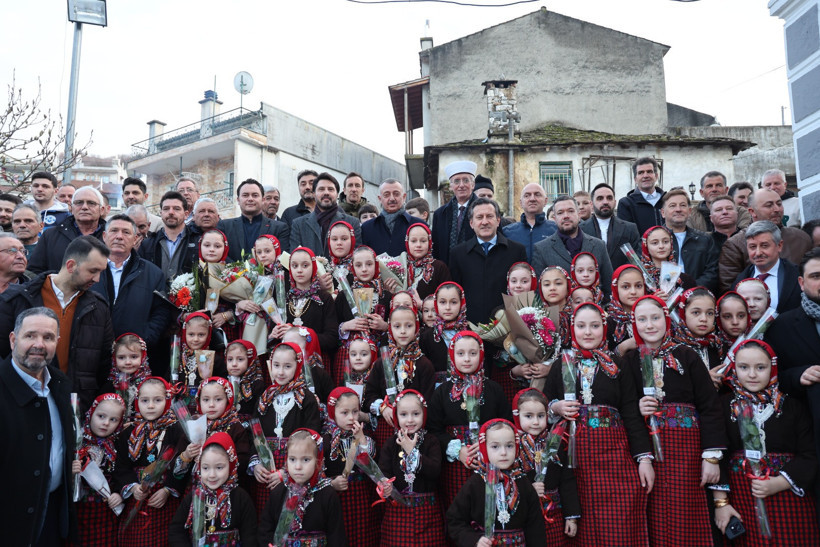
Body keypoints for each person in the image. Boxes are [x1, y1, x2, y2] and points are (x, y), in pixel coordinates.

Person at [546, 303, 653, 545]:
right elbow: (544, 403)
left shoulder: (617, 364)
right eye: (581, 326)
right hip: (574, 456)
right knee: (581, 521)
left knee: (619, 516)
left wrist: (644, 458)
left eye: (595, 326)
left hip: (614, 455)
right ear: (572, 329)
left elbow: (630, 412)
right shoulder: (562, 362)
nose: (587, 332)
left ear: (604, 328)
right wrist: (557, 407)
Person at [623, 295, 727, 546]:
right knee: (655, 516)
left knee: (687, 512)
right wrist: (643, 455)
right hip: (651, 451)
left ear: (667, 319)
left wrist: (711, 457)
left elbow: (710, 406)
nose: (649, 325)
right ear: (633, 324)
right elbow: (626, 410)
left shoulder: (687, 356)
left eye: (655, 318)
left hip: (687, 451)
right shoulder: (629, 360)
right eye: (642, 319)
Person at [716, 340, 820, 542]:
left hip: (787, 497)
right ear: (734, 368)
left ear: (772, 368)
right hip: (742, 496)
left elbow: (809, 453)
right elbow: (718, 452)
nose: (752, 374)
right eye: (744, 367)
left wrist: (781, 482)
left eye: (760, 367)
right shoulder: (723, 406)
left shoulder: (792, 407)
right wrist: (721, 503)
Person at [0, 236, 114, 410]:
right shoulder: (17, 299)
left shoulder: (99, 308)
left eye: (101, 272)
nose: (97, 279)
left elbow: (105, 363)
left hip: (75, 407)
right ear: (70, 266)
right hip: (20, 405)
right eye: (92, 271)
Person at [0, 307, 76, 546]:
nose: (39, 344)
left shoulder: (61, 385)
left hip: (51, 518)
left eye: (48, 337)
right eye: (30, 335)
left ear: (58, 342)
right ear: (13, 340)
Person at [428, 330, 512, 508]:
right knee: (458, 508)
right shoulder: (442, 392)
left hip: (491, 460)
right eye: (460, 353)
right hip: (456, 466)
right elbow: (433, 430)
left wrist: (489, 445)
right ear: (452, 356)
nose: (467, 359)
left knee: (488, 507)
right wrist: (457, 450)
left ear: (481, 355)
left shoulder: (494, 389)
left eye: (473, 353)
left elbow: (507, 424)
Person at [765, 248, 820, 520]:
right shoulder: (783, 326)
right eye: (816, 276)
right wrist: (798, 375)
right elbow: (773, 377)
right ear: (801, 282)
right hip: (811, 434)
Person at [91, 214, 172, 373]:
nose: (119, 237)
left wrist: (144, 339)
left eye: (126, 232)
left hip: (134, 358)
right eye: (114, 231)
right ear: (104, 236)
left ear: (135, 239)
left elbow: (161, 312)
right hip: (94, 355)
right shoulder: (90, 269)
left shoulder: (153, 273)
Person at [249, 343, 322, 519]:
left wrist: (285, 471)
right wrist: (256, 464)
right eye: (276, 365)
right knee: (268, 515)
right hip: (267, 468)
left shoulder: (306, 398)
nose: (281, 372)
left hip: (295, 466)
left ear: (298, 366)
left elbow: (312, 436)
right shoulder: (264, 398)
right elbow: (254, 432)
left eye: (287, 366)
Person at [446, 419, 547, 546]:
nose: (503, 452)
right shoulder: (475, 483)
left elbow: (535, 527)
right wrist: (474, 540)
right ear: (484, 448)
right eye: (495, 447)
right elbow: (455, 520)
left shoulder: (523, 483)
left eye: (509, 446)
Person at [110, 377, 185, 547]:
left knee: (165, 538)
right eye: (145, 400)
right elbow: (121, 465)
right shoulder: (129, 432)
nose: (150, 406)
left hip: (164, 497)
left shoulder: (175, 429)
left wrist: (168, 489)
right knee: (136, 539)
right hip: (138, 494)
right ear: (137, 402)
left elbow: (182, 463)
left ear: (167, 400)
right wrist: (132, 487)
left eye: (157, 400)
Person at [377, 389, 446, 546]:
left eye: (416, 414)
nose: (410, 420)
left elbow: (435, 471)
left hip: (427, 511)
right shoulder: (390, 444)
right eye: (403, 415)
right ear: (396, 416)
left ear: (424, 414)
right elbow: (383, 472)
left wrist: (412, 452)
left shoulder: (431, 441)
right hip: (398, 512)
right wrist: (385, 484)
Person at [257, 429, 346, 545]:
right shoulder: (279, 492)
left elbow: (337, 537)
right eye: (292, 459)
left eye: (305, 460)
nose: (298, 467)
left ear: (318, 462)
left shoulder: (327, 495)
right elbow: (265, 529)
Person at [363, 304, 435, 448]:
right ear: (390, 328)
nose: (403, 331)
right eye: (397, 326)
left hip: (415, 432)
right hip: (386, 429)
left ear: (416, 327)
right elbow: (368, 396)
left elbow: (428, 401)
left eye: (408, 326)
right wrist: (383, 408)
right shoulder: (381, 363)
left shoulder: (424, 364)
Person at [513, 389, 580, 543]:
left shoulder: (555, 443)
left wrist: (571, 517)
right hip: (526, 515)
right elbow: (509, 478)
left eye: (540, 416)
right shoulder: (514, 447)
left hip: (554, 513)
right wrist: (529, 488)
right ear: (518, 416)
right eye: (528, 416)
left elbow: (567, 480)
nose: (536, 422)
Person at [168, 432, 257, 547]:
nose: (212, 475)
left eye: (219, 467)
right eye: (205, 468)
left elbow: (250, 536)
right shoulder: (194, 497)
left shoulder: (241, 498)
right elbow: (176, 531)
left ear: (231, 465)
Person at [449, 198, 527, 324]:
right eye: (479, 217)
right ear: (471, 223)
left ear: (498, 220)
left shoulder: (517, 251)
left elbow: (523, 292)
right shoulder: (458, 254)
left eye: (489, 216)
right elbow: (455, 293)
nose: (485, 222)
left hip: (507, 327)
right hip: (470, 328)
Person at [719, 188, 812, 293]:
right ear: (752, 211)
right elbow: (730, 291)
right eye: (769, 205)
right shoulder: (735, 244)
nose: (777, 209)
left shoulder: (801, 238)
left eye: (779, 204)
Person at [69, 392, 126, 547]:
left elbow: (124, 474)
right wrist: (71, 470)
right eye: (101, 416)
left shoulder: (119, 447)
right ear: (91, 414)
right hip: (79, 511)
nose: (106, 423)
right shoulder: (76, 442)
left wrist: (120, 494)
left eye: (113, 420)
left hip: (105, 513)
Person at [324, 387, 379, 546]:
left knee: (363, 537)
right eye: (344, 413)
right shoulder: (326, 441)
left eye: (355, 412)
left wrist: (361, 439)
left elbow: (370, 461)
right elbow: (317, 474)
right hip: (338, 499)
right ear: (333, 412)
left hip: (362, 496)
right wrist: (331, 483)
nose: (351, 417)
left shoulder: (364, 436)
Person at [532, 195, 613, 299]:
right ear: (555, 218)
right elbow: (538, 293)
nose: (566, 216)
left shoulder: (599, 246)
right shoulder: (542, 249)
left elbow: (608, 286)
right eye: (560, 213)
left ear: (579, 214)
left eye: (570, 211)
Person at [27, 186, 107, 274]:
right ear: (72, 208)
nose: (84, 207)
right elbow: (34, 271)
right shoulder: (50, 235)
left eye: (91, 203)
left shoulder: (111, 237)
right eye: (79, 203)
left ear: (102, 210)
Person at [732, 220, 801, 314]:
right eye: (752, 247)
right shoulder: (740, 280)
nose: (758, 253)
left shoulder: (797, 275)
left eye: (764, 246)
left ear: (779, 246)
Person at [660, 188, 720, 292]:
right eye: (672, 206)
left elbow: (712, 273)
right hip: (662, 297)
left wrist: (692, 290)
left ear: (690, 211)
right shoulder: (651, 240)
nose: (678, 209)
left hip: (697, 297)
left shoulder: (705, 240)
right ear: (663, 213)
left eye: (683, 205)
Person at [290, 173, 361, 257]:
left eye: (330, 189)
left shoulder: (352, 223)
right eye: (321, 189)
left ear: (337, 194)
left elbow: (357, 257)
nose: (326, 192)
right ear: (314, 194)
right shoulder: (298, 224)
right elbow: (295, 257)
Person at [217, 178, 290, 260]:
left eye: (255, 195)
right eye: (245, 195)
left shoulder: (279, 228)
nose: (250, 199)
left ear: (263, 199)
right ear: (238, 200)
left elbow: (281, 258)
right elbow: (220, 254)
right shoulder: (225, 226)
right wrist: (237, 271)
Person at [137, 190, 199, 285]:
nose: (171, 212)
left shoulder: (198, 242)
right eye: (166, 209)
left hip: (190, 298)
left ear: (186, 214)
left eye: (176, 209)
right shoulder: (147, 245)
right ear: (161, 213)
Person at [580, 182, 641, 270]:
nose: (605, 202)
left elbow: (635, 259)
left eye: (609, 198)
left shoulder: (630, 228)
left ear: (615, 202)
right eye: (600, 198)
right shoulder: (580, 229)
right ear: (591, 204)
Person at [361, 178, 425, 256]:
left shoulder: (419, 225)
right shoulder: (367, 228)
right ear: (380, 199)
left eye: (396, 194)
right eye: (386, 195)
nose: (392, 198)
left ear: (404, 197)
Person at [431, 160, 478, 264]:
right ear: (451, 186)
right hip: (448, 271)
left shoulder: (485, 209)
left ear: (473, 185)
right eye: (456, 181)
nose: (461, 185)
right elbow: (436, 248)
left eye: (466, 180)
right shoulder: (440, 214)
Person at [502, 182, 558, 262]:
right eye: (527, 195)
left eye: (537, 194)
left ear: (545, 201)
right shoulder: (507, 232)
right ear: (521, 203)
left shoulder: (556, 230)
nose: (532, 199)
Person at [687, 171, 751, 233]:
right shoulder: (691, 216)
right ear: (701, 192)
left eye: (718, 185)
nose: (714, 189)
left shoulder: (741, 212)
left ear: (726, 190)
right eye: (709, 186)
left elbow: (743, 235)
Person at [617, 157, 666, 235]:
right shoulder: (626, 204)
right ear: (635, 179)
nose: (645, 175)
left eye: (649, 171)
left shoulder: (667, 200)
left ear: (656, 176)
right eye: (641, 172)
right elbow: (626, 235)